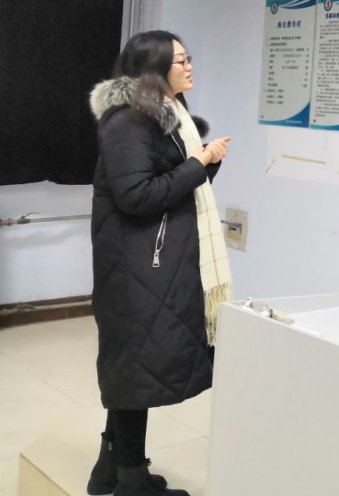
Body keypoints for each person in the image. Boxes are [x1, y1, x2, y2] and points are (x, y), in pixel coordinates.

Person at [86, 31, 232, 496]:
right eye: (180, 61)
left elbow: (170, 180)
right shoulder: (129, 120)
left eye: (189, 58)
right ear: (155, 69)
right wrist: (197, 164)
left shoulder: (167, 114)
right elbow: (137, 195)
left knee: (135, 367)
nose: (189, 67)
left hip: (151, 260)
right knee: (135, 370)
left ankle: (111, 470)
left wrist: (205, 163)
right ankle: (131, 480)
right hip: (136, 266)